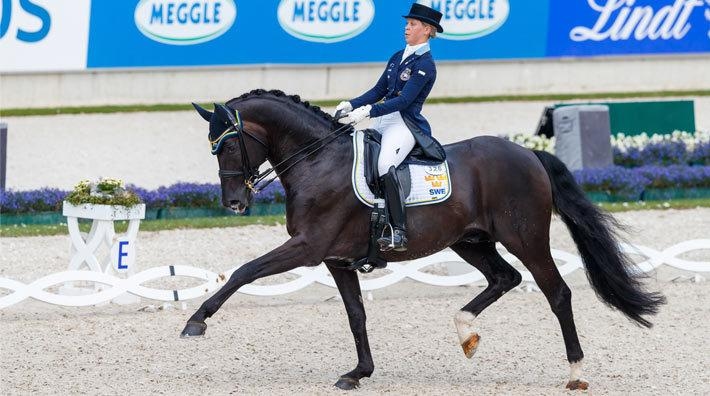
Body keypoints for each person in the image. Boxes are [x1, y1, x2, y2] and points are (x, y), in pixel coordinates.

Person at [336, 3, 445, 252]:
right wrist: (351, 104)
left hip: (404, 124)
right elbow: (379, 91)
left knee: (385, 164)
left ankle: (399, 230)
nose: (407, 28)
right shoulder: (398, 56)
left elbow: (404, 101)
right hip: (383, 119)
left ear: (427, 30)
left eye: (412, 24)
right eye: (407, 23)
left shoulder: (425, 64)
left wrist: (368, 111)